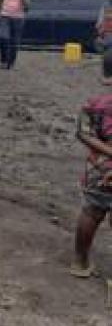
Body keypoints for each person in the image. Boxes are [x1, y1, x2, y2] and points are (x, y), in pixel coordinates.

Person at [70, 51, 112, 278]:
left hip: (101, 169)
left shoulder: (95, 103)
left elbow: (82, 133)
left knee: (92, 212)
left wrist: (107, 151)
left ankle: (80, 260)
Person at [0, 0, 29, 70]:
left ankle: (11, 64)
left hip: (18, 19)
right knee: (3, 38)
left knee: (14, 42)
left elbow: (26, 8)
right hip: (4, 17)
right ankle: (3, 61)